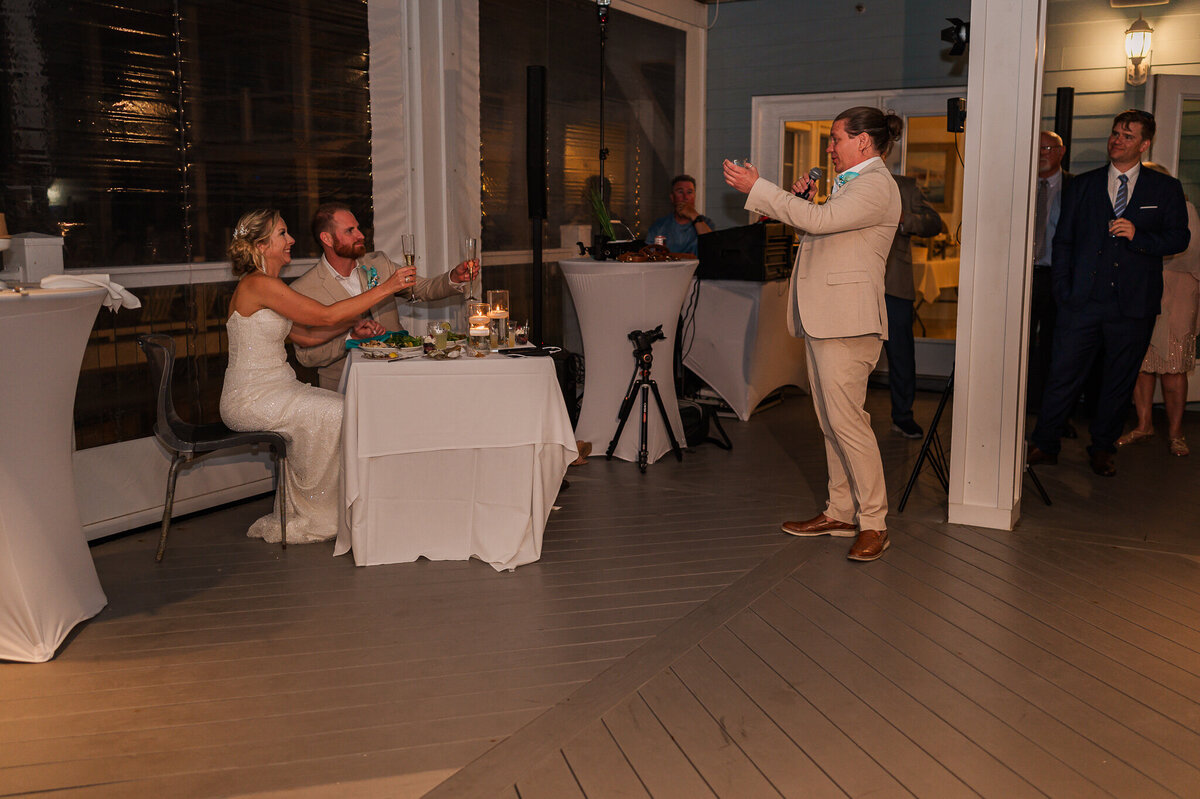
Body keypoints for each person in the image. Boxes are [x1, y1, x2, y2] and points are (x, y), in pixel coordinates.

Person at [724, 106, 902, 562]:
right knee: (830, 422)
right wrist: (797, 199)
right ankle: (841, 511)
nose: (829, 147)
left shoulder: (877, 185)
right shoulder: (851, 186)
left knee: (849, 423)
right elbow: (824, 227)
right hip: (827, 319)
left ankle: (875, 522)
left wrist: (760, 190)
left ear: (864, 142)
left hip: (848, 323)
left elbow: (820, 224)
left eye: (836, 138)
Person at [220, 209, 414, 544]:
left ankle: (325, 506)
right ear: (262, 245)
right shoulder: (258, 285)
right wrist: (387, 288)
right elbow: (323, 317)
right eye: (282, 233)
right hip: (251, 398)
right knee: (336, 412)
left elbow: (306, 336)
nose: (291, 239)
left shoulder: (267, 286)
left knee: (341, 406)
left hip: (277, 389)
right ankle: (320, 515)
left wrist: (351, 327)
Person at [1027, 110, 1190, 477]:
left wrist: (1139, 236)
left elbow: (1179, 238)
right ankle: (1046, 443)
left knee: (1118, 380)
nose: (1117, 140)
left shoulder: (1164, 189)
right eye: (1115, 133)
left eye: (1127, 136)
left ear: (1144, 144)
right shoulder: (1083, 186)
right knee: (1062, 373)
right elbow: (1063, 241)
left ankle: (1102, 447)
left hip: (1133, 305)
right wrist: (1064, 291)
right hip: (1081, 302)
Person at [291, 202, 479, 389]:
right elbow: (307, 357)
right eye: (350, 231)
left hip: (400, 373)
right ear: (327, 239)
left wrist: (453, 277)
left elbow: (424, 289)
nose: (360, 235)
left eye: (358, 228)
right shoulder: (304, 289)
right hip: (346, 384)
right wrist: (349, 339)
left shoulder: (379, 264)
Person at [1116, 161, 1200, 457]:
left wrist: (1143, 246)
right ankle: (1143, 425)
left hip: (1177, 294)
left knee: (1173, 367)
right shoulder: (1132, 212)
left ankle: (1177, 434)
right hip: (1142, 290)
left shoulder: (1185, 210)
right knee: (1141, 363)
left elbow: (1186, 253)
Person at [883, 173, 943, 438]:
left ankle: (903, 415)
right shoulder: (845, 181)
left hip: (894, 281)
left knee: (901, 354)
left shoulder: (904, 186)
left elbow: (934, 222)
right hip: (854, 283)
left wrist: (904, 219)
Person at [1028, 131, 1073, 417]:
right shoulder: (1021, 186)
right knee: (1021, 343)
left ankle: (1054, 412)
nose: (1042, 152)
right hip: (1025, 277)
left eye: (1048, 147)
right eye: (1038, 147)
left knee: (1057, 347)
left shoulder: (1076, 187)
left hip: (1059, 276)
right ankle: (1024, 405)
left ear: (1061, 151)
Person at [643, 174, 713, 255]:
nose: (685, 197)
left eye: (689, 192)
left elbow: (711, 247)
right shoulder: (659, 226)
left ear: (695, 196)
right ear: (672, 197)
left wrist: (694, 216)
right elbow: (648, 256)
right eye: (680, 192)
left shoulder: (706, 223)